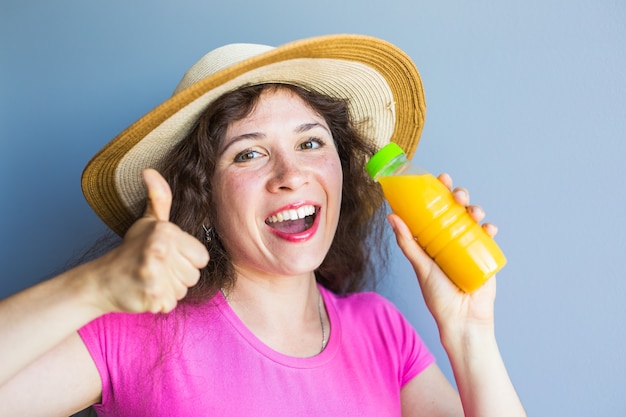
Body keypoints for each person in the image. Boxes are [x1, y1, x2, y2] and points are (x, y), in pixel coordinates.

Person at [0, 34, 526, 416]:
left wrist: (468, 331)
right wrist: (96, 285)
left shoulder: (381, 331)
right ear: (203, 195)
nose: (291, 175)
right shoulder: (137, 329)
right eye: (249, 153)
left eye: (311, 143)